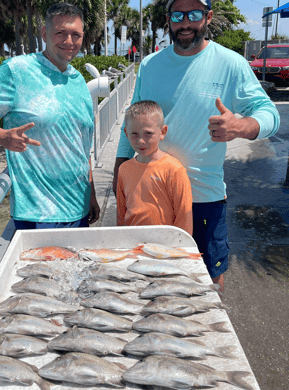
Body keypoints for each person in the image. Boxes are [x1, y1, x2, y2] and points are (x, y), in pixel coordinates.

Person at [113, 0, 280, 292]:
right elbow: (133, 119)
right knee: (149, 281)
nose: (185, 23)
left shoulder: (230, 63)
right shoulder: (151, 65)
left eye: (194, 14)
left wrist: (240, 127)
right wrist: (119, 168)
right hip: (151, 196)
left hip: (204, 198)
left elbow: (270, 114)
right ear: (169, 19)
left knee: (207, 281)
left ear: (208, 17)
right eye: (178, 15)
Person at [0, 2, 100, 229]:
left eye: (76, 34)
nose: (69, 41)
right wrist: (0, 136)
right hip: (38, 213)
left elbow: (83, 149)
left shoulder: (79, 82)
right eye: (60, 33)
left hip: (79, 208)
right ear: (45, 33)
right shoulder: (17, 70)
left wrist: (91, 195)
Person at [117, 100, 193, 236]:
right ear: (126, 133)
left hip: (165, 244)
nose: (141, 140)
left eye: (148, 133)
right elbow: (121, 212)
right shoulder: (124, 169)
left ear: (162, 132)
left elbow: (184, 216)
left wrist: (179, 248)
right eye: (134, 134)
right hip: (132, 242)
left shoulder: (174, 169)